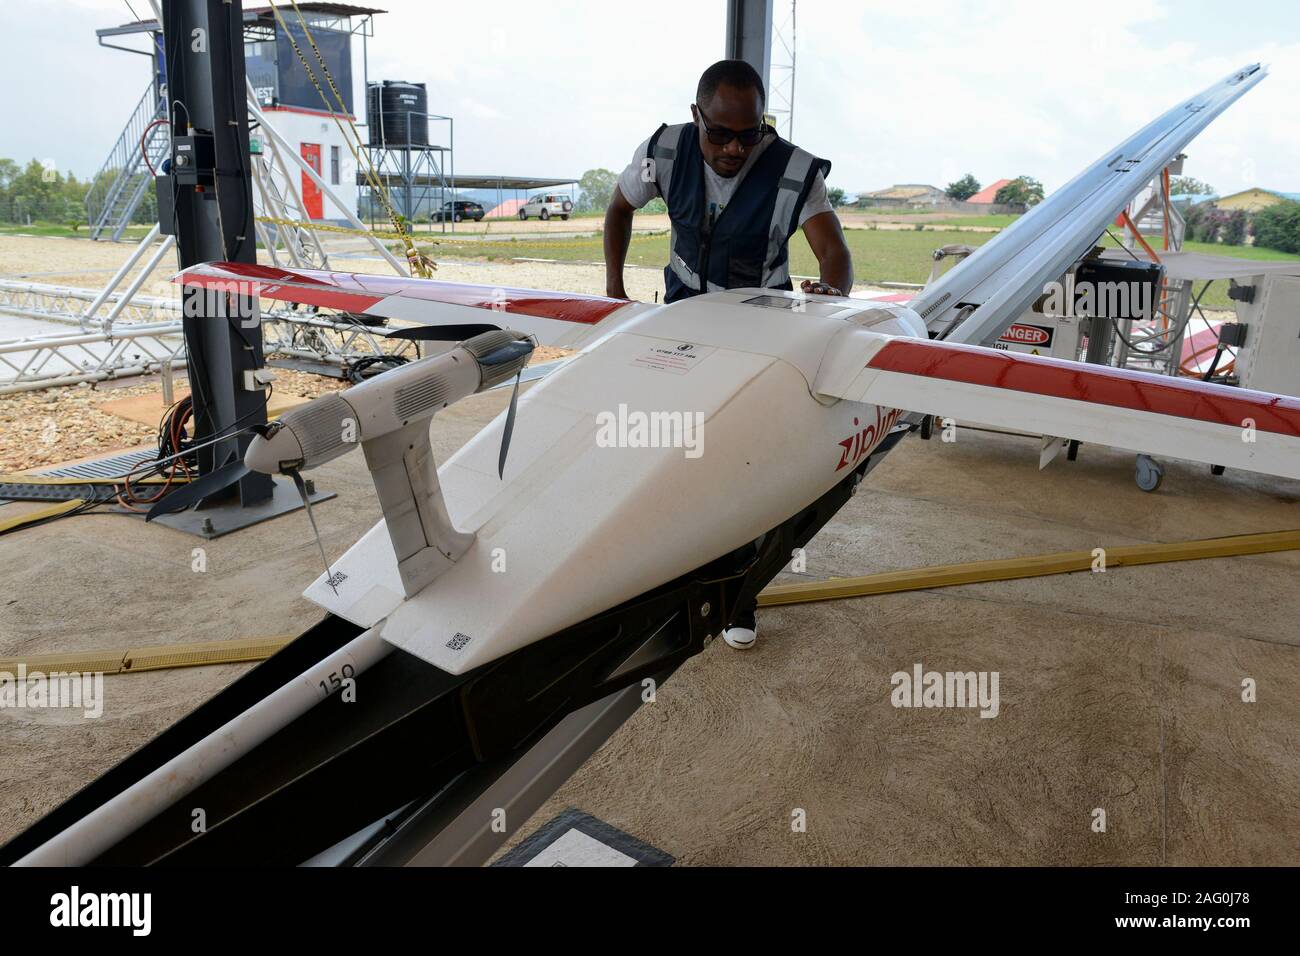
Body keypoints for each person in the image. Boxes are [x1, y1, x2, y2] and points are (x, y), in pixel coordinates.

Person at [604, 59, 854, 650]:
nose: (735, 148)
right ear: (697, 118)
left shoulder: (795, 171)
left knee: (749, 465)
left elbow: (833, 251)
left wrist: (832, 293)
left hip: (757, 340)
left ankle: (741, 598)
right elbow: (618, 208)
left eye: (750, 133)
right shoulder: (662, 152)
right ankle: (667, 569)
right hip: (682, 330)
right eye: (720, 134)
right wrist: (613, 291)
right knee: (671, 451)